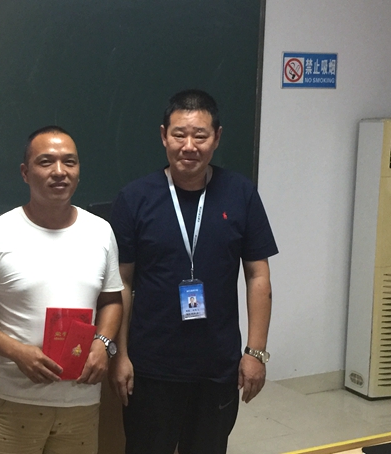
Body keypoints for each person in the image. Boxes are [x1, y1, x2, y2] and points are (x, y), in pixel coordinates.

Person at [109, 89, 278, 454]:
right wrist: (120, 355)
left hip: (217, 365)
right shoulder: (135, 198)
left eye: (200, 135)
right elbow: (120, 281)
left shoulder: (241, 193)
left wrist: (256, 352)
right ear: (163, 136)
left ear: (216, 137)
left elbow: (258, 276)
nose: (189, 146)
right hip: (150, 365)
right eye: (179, 135)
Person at [0, 125, 123, 454]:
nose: (59, 171)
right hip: (15, 397)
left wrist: (103, 345)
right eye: (46, 162)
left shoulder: (101, 232)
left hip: (81, 397)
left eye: (69, 162)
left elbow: (112, 300)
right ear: (25, 172)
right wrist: (17, 352)